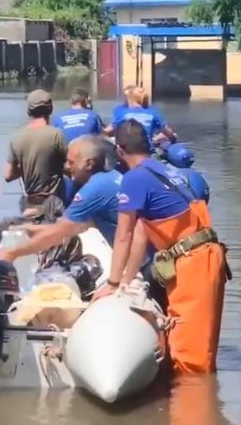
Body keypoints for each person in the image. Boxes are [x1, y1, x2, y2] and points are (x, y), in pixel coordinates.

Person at [95, 119, 230, 374]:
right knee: (201, 350)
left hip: (193, 264)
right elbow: (141, 233)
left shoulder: (134, 178)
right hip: (207, 257)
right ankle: (199, 405)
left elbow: (123, 235)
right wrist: (127, 280)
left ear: (120, 152)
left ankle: (192, 408)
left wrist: (111, 285)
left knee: (190, 361)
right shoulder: (162, 171)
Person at [0, 135, 169, 309]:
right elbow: (77, 226)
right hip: (156, 259)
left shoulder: (95, 188)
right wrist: (30, 228)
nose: (66, 167)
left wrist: (14, 253)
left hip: (150, 267)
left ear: (88, 163)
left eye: (71, 162)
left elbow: (60, 233)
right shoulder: (112, 177)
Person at [5, 89, 68, 214]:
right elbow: (70, 167)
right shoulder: (57, 135)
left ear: (29, 111)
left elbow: (8, 175)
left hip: (30, 203)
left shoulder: (17, 138)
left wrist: (26, 165)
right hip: (54, 202)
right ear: (50, 110)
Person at [111, 86, 177, 147]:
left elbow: (109, 131)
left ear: (131, 99)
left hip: (127, 150)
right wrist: (172, 137)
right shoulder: (153, 112)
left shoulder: (121, 112)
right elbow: (168, 132)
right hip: (147, 148)